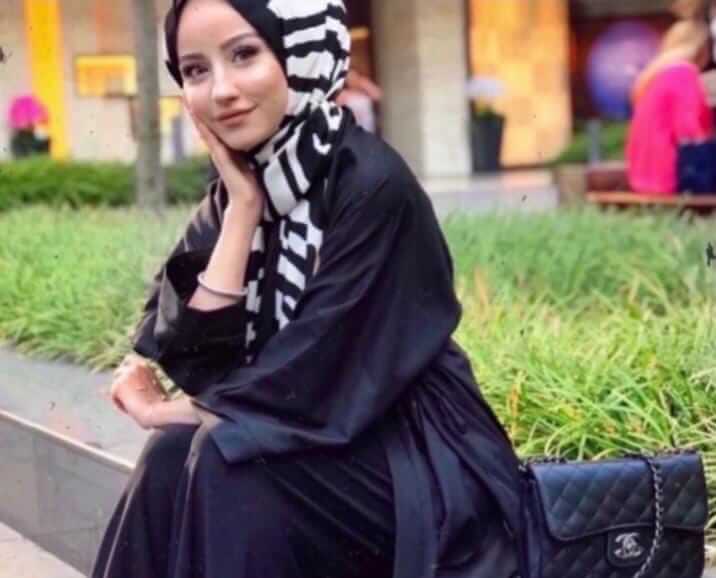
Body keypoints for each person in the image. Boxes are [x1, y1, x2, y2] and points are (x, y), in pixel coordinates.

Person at [90, 1, 524, 578]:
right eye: (195, 70)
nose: (221, 90)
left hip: (417, 454)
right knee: (172, 455)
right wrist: (243, 210)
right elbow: (197, 362)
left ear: (299, 55)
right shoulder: (244, 187)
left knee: (226, 459)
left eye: (244, 55)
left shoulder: (371, 184)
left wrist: (165, 409)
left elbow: (316, 375)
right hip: (307, 432)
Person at [627, 20, 714, 194]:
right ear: (702, 49)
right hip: (669, 177)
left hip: (643, 176)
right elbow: (689, 130)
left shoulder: (654, 76)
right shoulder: (684, 73)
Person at [336, 68, 383, 133]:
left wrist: (362, 82)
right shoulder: (344, 93)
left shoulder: (365, 92)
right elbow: (338, 108)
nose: (351, 80)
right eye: (348, 79)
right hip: (353, 128)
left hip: (369, 126)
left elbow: (377, 95)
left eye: (353, 77)